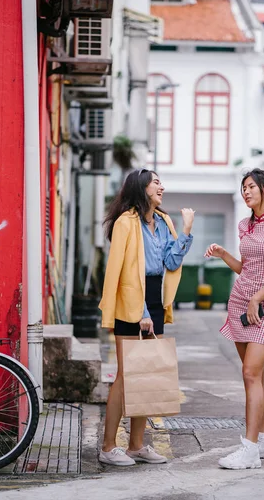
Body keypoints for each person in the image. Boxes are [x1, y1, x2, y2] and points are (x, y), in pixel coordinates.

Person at [98, 168, 194, 467]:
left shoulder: (164, 221)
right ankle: (108, 445)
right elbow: (123, 269)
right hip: (131, 299)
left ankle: (136, 445)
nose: (161, 187)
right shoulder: (126, 223)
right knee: (126, 376)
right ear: (142, 188)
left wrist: (187, 229)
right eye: (156, 182)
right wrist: (140, 311)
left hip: (153, 296)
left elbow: (170, 261)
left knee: (147, 373)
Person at [205, 168, 264, 470]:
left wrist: (259, 298)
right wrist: (223, 254)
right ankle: (263, 440)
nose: (246, 192)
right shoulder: (245, 225)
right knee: (256, 377)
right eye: (243, 188)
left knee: (249, 373)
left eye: (250, 187)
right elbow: (246, 267)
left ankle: (249, 450)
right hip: (240, 304)